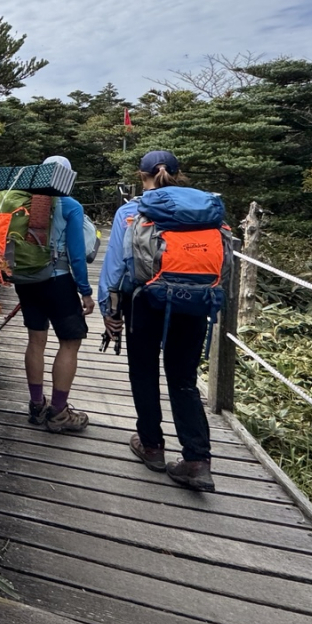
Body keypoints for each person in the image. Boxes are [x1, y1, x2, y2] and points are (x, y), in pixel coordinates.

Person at [98, 150, 215, 492]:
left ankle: (152, 446)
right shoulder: (201, 209)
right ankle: (197, 460)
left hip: (145, 301)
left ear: (142, 174)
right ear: (179, 174)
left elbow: (116, 266)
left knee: (144, 371)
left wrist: (110, 308)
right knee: (184, 379)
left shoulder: (131, 211)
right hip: (194, 302)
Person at [16, 155, 96, 433]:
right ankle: (59, 412)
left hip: (26, 280)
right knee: (70, 342)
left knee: (35, 341)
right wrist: (85, 291)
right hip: (58, 282)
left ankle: (36, 406)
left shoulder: (24, 203)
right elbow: (77, 255)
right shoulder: (69, 205)